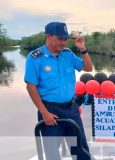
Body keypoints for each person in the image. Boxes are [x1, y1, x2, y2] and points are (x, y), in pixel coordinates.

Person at [24, 22, 93, 160]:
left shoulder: (68, 54)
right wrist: (45, 113)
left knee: (80, 150)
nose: (63, 42)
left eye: (65, 39)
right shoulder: (35, 57)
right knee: (52, 154)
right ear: (49, 36)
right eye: (60, 38)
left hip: (71, 109)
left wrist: (83, 49)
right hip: (50, 111)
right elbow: (31, 87)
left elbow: (88, 68)